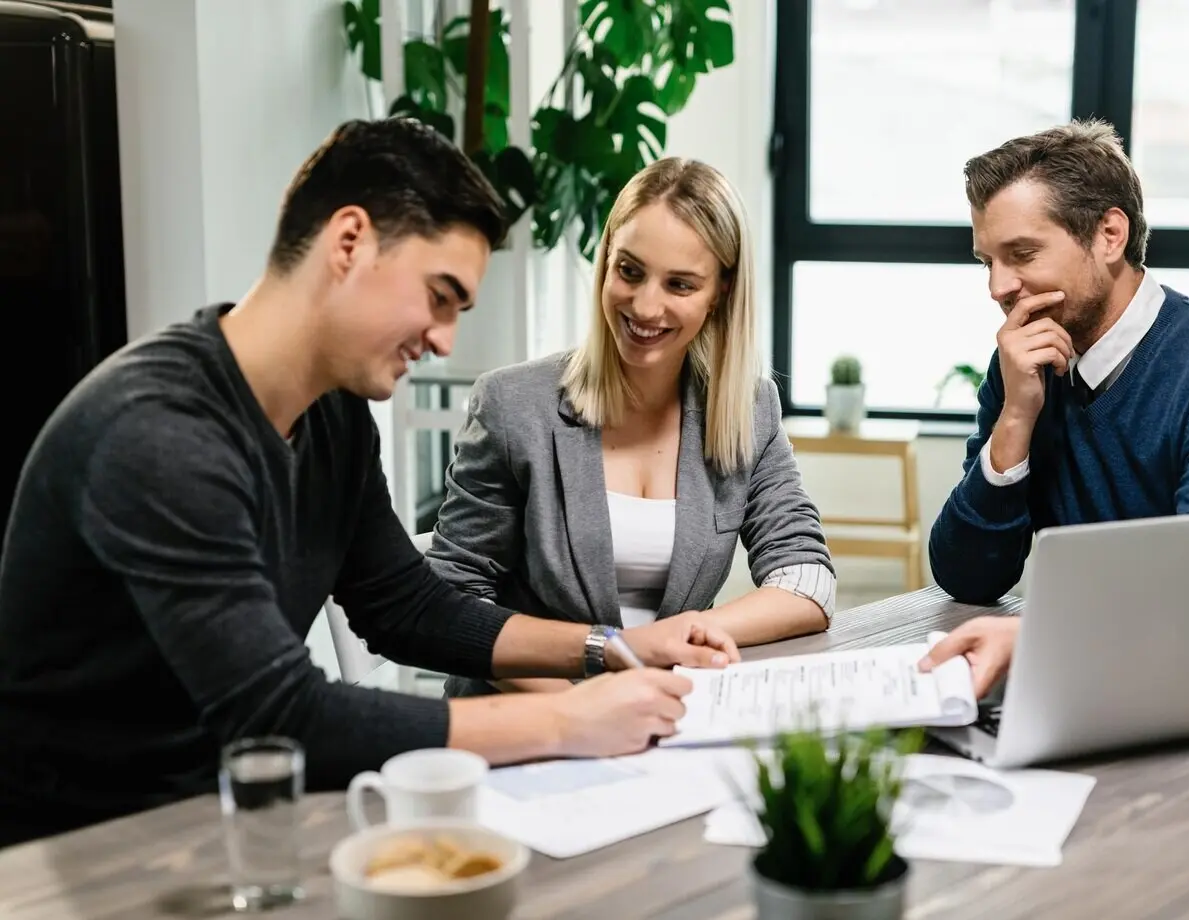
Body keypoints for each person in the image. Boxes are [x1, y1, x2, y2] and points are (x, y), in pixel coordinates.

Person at [0, 118, 740, 847]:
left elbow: (405, 608)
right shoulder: (158, 432)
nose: (445, 339)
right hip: (83, 847)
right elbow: (279, 713)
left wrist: (607, 646)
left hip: (227, 818)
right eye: (439, 295)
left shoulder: (334, 415)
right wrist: (565, 722)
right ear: (349, 241)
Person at [920, 119, 1189, 698]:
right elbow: (967, 577)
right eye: (986, 261)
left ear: (1109, 236)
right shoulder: (1023, 366)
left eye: (1022, 254)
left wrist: (1039, 640)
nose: (998, 287)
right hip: (1107, 675)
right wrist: (1015, 420)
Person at [427, 157, 835, 698]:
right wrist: (587, 699)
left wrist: (671, 640)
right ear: (606, 261)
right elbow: (451, 603)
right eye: (630, 271)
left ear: (721, 293)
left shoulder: (747, 409)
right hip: (529, 716)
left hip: (667, 718)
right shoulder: (513, 406)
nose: (646, 306)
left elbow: (806, 581)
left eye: (681, 285)